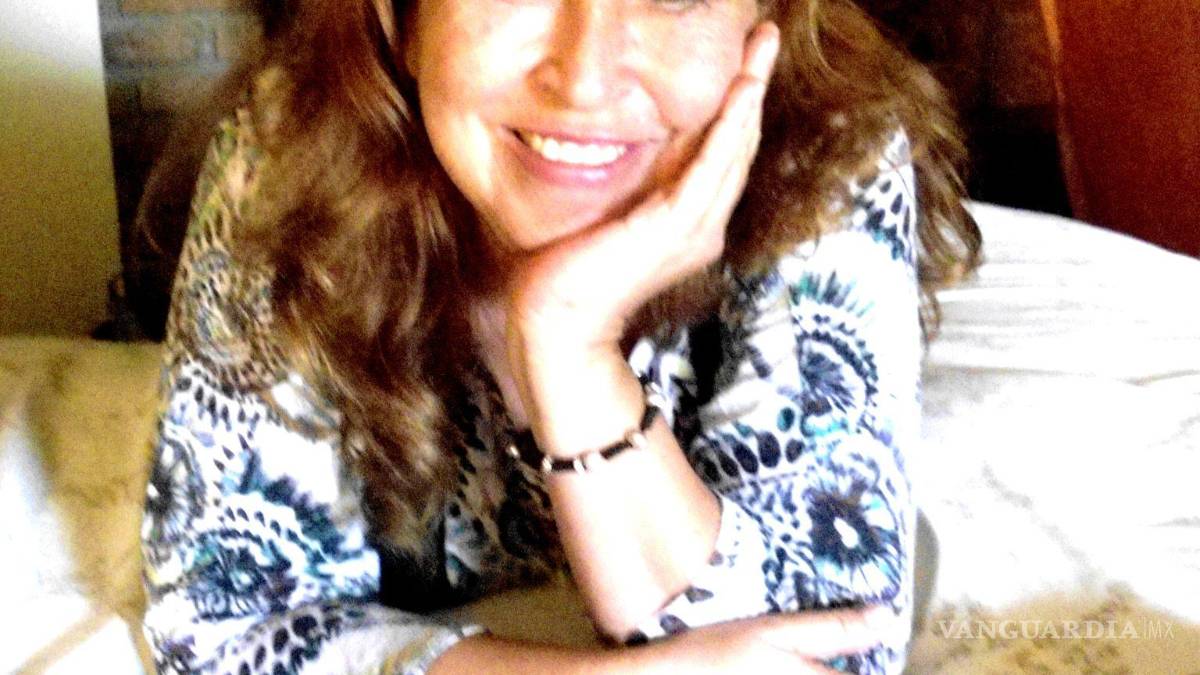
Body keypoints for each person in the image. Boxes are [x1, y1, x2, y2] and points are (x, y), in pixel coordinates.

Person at [139, 0, 981, 673]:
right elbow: (219, 625)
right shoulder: (289, 155)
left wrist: (569, 345)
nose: (583, 80)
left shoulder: (831, 152)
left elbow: (822, 648)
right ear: (401, 21)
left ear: (768, 25)